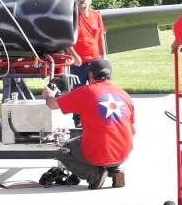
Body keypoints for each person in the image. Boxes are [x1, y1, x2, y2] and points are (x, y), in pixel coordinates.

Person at [42, 59, 135, 189]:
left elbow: (52, 104)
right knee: (104, 139)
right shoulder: (124, 94)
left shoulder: (86, 92)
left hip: (100, 151)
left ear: (90, 75)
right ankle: (116, 170)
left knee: (64, 151)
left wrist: (48, 95)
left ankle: (94, 174)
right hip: (123, 152)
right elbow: (133, 131)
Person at [69, 0, 107, 127]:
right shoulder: (71, 16)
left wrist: (104, 55)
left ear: (90, 0)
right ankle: (78, 120)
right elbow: (66, 39)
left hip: (95, 60)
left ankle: (97, 118)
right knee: (78, 91)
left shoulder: (97, 15)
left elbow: (101, 35)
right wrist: (74, 56)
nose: (82, 0)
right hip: (78, 62)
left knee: (98, 91)